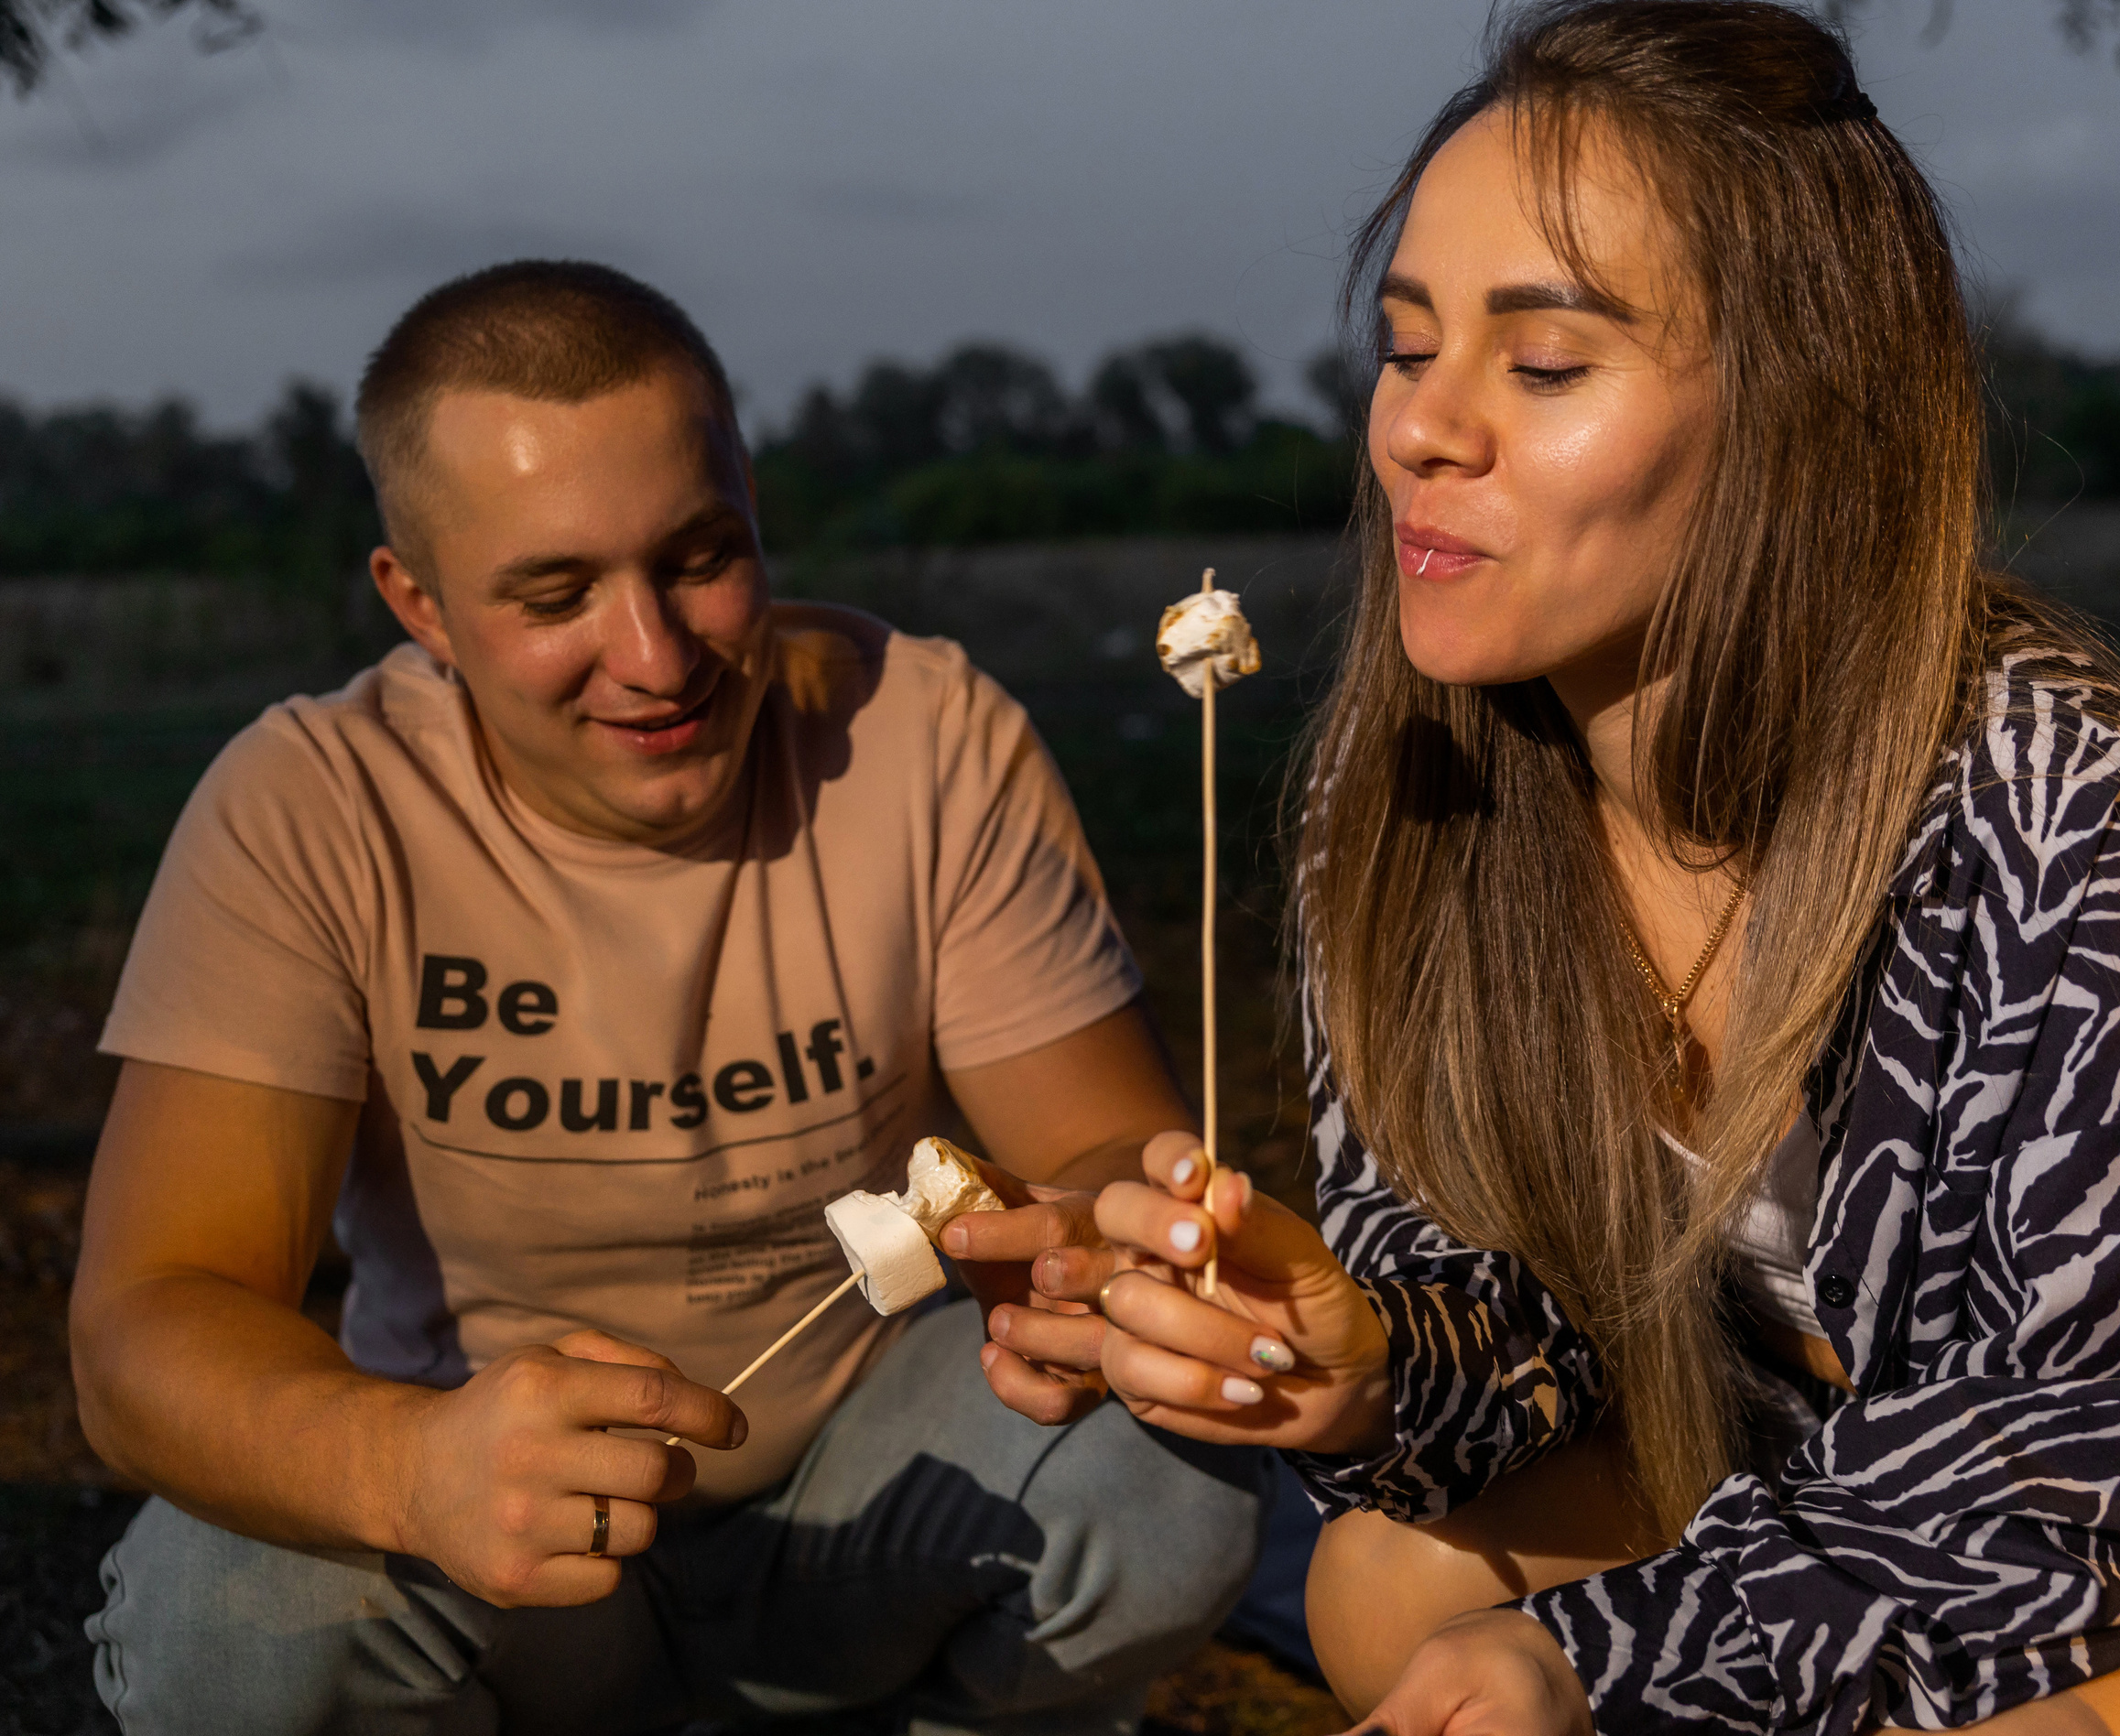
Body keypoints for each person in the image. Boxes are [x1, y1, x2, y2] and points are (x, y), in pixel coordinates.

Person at [1054, 4, 2120, 1731]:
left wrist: (1607, 1656)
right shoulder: (1397, 779)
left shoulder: (2047, 783)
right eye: (1403, 343)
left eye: (1546, 364)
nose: (1422, 431)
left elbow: (2113, 1451)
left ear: (1798, 412)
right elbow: (1522, 1332)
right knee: (1392, 1587)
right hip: (1785, 1479)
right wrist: (1364, 1360)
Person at [70, 260, 1270, 1735]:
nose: (656, 657)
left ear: (752, 502)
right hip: (505, 1560)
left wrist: (1087, 1259)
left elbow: (1105, 1152)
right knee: (229, 1603)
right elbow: (141, 1333)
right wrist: (408, 1470)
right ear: (420, 602)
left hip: (872, 1498)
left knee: (1166, 1448)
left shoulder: (925, 732)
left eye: (698, 558)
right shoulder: (308, 808)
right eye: (556, 595)